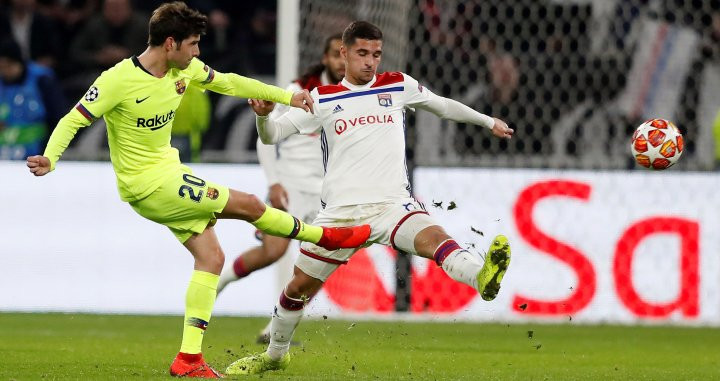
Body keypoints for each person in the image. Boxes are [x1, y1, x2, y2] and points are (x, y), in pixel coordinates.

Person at [25, 3, 370, 378]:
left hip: (169, 174)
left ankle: (188, 360)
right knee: (250, 204)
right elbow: (74, 118)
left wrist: (287, 97)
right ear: (170, 43)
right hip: (150, 184)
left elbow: (230, 82)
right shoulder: (117, 79)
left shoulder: (184, 68)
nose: (197, 52)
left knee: (211, 258)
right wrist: (50, 157)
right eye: (192, 44)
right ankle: (326, 236)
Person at [225, 21, 514, 375]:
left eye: (376, 54)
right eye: (362, 53)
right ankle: (274, 356)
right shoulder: (322, 99)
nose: (370, 62)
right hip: (341, 215)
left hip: (393, 205)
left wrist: (487, 122)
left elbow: (442, 106)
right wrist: (263, 118)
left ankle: (481, 278)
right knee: (298, 288)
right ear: (344, 53)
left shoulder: (397, 85)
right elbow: (272, 137)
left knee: (437, 240)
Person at [216, 33, 345, 344]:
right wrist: (273, 181)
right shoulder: (298, 91)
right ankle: (216, 285)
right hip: (289, 185)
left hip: (328, 194)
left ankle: (275, 330)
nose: (343, 61)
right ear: (326, 58)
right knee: (272, 251)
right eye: (336, 55)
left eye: (348, 55)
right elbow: (267, 137)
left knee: (321, 267)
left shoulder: (357, 98)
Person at [0, 38, 66, 160]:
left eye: (8, 66)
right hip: (4, 153)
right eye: (1, 67)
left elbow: (57, 116)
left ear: (19, 62)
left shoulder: (42, 79)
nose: (5, 71)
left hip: (38, 150)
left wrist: (49, 152)